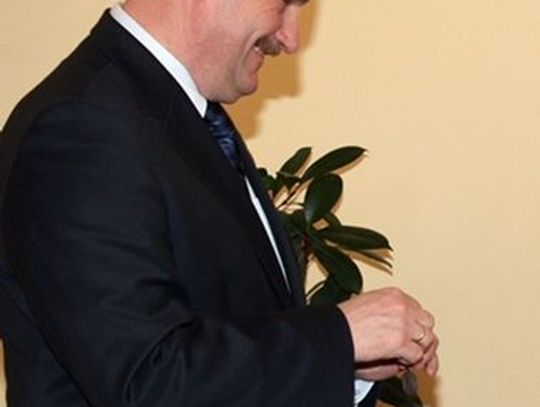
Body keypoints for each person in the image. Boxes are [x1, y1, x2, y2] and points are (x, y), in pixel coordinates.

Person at [0, 0, 438, 406]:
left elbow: (229, 335)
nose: (291, 39)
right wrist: (338, 337)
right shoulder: (84, 127)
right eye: (283, 3)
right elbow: (148, 382)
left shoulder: (180, 115)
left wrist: (344, 365)